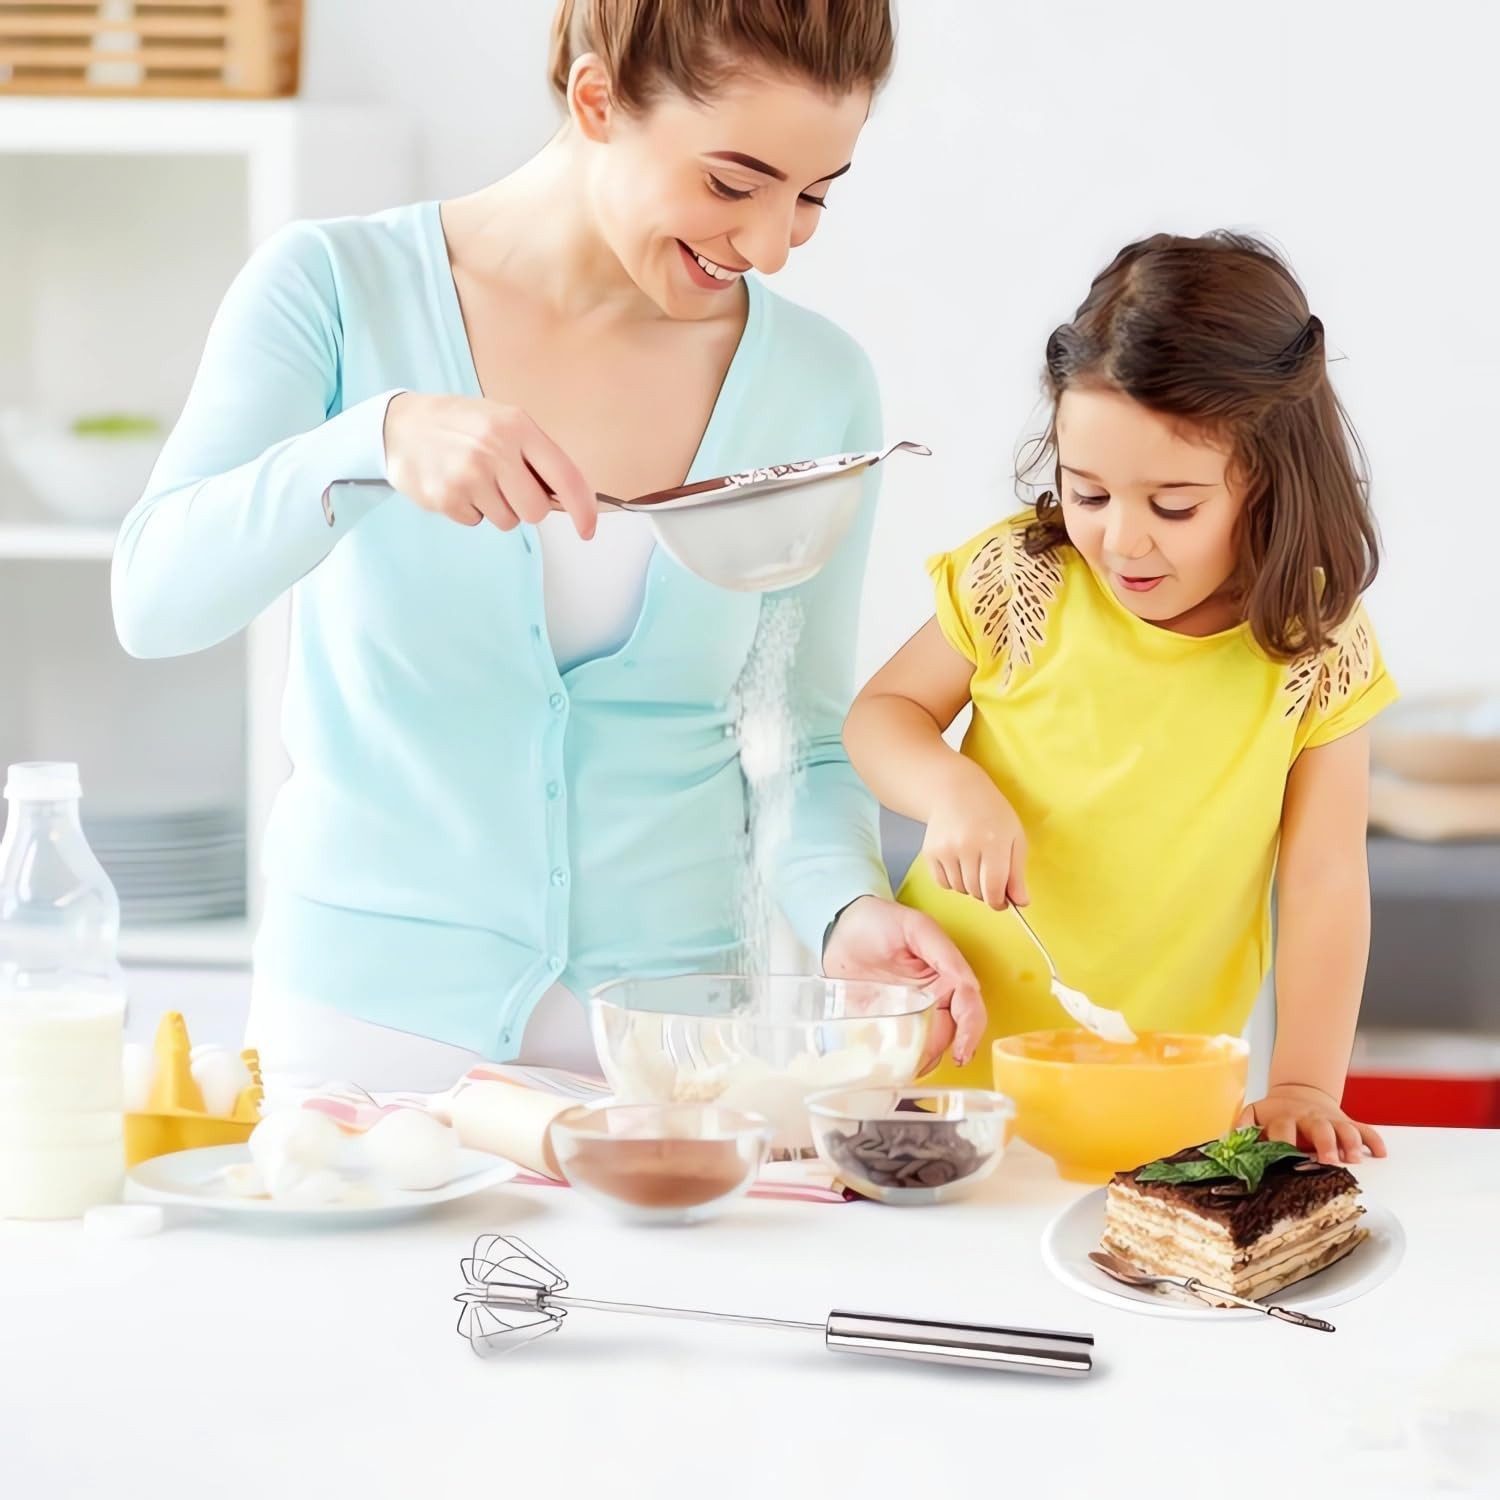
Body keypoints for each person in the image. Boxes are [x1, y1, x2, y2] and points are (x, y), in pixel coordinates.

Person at [112, 0, 982, 1093]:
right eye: (731, 184)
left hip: (672, 1049)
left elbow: (803, 744)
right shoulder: (335, 290)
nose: (771, 245)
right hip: (366, 1038)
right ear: (596, 99)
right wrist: (368, 439)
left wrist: (846, 909)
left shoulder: (816, 382)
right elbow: (155, 600)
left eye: (812, 195)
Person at [845, 232, 1395, 1165]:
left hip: (1157, 1110)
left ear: (1267, 480)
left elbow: (1325, 879)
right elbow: (881, 716)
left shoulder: (1314, 645)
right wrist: (951, 790)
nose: (1123, 541)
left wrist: (1304, 1083)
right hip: (933, 1081)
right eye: (1089, 492)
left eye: (1173, 506)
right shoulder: (1023, 580)